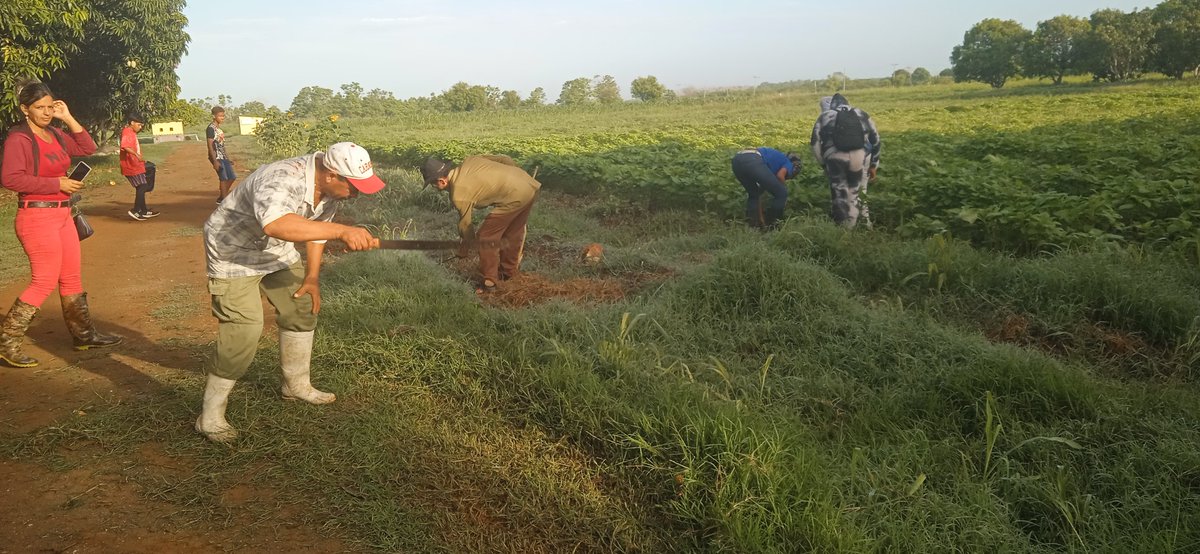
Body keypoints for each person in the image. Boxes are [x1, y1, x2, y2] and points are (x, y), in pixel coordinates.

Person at [196, 142, 385, 443]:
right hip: (232, 249)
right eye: (354, 185)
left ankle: (296, 386)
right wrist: (342, 231)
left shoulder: (332, 192)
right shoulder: (284, 177)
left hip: (276, 251)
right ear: (331, 174)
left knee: (301, 307)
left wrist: (311, 277)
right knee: (244, 329)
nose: (358, 193)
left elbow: (316, 232)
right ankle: (210, 415)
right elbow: (275, 224)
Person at [0, 82, 123, 367]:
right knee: (43, 280)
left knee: (71, 277)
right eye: (39, 108)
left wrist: (66, 117)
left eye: (49, 106)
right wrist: (56, 183)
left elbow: (87, 147)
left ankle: (84, 335)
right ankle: (7, 342)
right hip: (36, 216)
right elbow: (10, 178)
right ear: (24, 110)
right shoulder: (19, 139)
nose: (45, 112)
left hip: (63, 214)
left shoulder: (55, 133)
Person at [420, 155, 540, 294]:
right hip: (529, 184)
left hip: (514, 196)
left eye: (433, 185)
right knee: (513, 232)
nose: (435, 188)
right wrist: (514, 178)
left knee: (486, 237)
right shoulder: (469, 160)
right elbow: (504, 159)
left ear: (441, 181)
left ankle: (489, 283)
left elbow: (466, 225)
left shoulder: (458, 194)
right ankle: (508, 274)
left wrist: (464, 248)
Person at [810, 93, 881, 228]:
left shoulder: (825, 116)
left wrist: (824, 164)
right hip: (859, 156)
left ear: (832, 106)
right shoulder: (862, 114)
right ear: (847, 104)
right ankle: (860, 226)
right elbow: (876, 141)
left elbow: (814, 143)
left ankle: (843, 232)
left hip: (834, 158)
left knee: (839, 195)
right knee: (854, 193)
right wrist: (873, 165)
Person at [731, 147, 801, 230]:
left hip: (737, 160)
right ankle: (774, 226)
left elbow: (760, 195)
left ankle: (755, 226)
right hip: (753, 158)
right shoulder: (788, 162)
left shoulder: (772, 163)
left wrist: (762, 220)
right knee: (781, 194)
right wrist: (783, 189)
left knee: (754, 195)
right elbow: (780, 175)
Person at [119, 112, 160, 220]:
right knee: (142, 186)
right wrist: (136, 155)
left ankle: (144, 210)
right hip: (131, 166)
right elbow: (125, 146)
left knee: (141, 186)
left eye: (141, 126)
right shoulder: (127, 132)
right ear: (132, 122)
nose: (140, 127)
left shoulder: (131, 132)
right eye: (139, 125)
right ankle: (136, 210)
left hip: (136, 165)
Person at [207, 106, 236, 204]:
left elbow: (222, 145)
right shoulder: (210, 129)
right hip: (216, 157)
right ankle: (224, 200)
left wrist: (228, 158)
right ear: (214, 116)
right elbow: (210, 145)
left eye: (223, 116)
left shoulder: (219, 130)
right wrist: (214, 160)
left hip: (223, 156)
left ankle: (221, 197)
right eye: (220, 116)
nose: (222, 118)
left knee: (232, 177)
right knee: (223, 178)